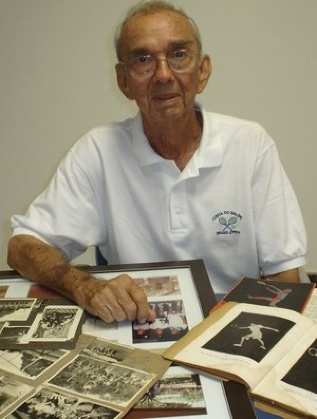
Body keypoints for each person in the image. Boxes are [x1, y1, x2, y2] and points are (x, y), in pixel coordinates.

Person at [7, 0, 306, 324]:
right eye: (143, 59)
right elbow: (22, 247)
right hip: (140, 331)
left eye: (178, 54)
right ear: (123, 80)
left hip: (233, 331)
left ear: (202, 70)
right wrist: (84, 285)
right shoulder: (98, 151)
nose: (163, 75)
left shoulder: (251, 144)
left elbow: (285, 276)